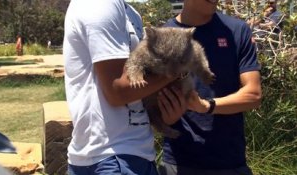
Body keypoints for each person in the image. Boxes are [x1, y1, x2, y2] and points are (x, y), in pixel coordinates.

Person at [63, 0, 178, 174]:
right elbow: (118, 91)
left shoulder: (130, 13)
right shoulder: (99, 4)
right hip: (111, 157)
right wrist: (177, 70)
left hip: (131, 154)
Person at [156, 0, 262, 175]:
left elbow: (253, 94)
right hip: (178, 162)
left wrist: (206, 106)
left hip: (230, 162)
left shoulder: (237, 30)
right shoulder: (162, 36)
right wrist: (165, 118)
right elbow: (151, 101)